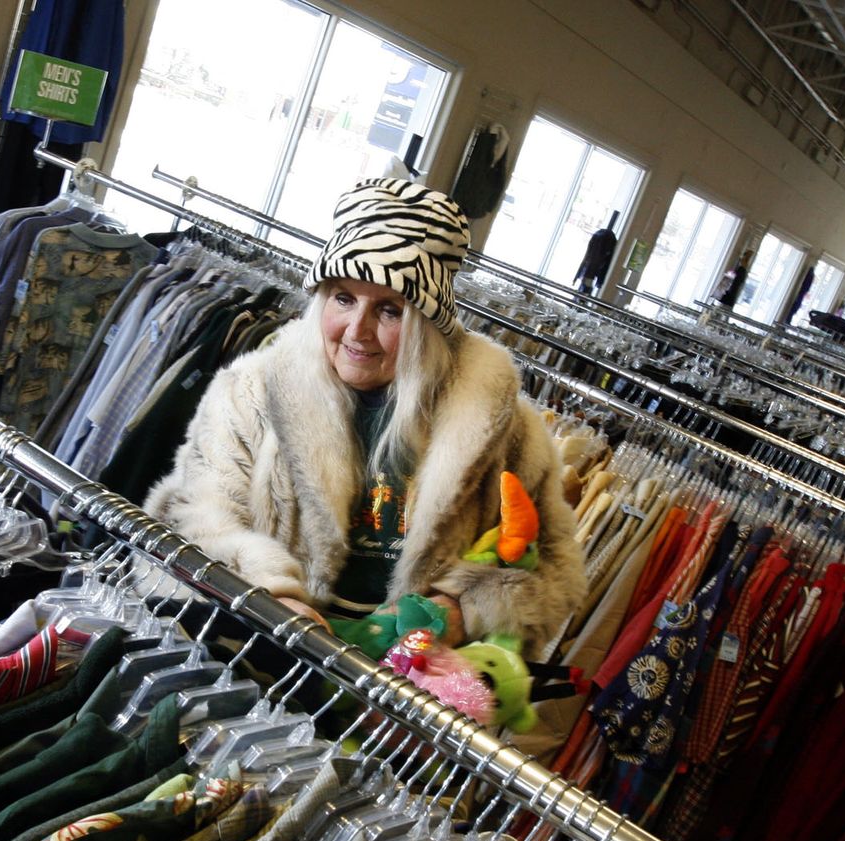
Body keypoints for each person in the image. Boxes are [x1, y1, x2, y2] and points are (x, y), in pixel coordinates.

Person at [144, 179, 581, 656]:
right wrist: (271, 599)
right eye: (343, 299)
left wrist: (461, 612)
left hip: (408, 688)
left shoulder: (501, 427)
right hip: (255, 655)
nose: (357, 331)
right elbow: (199, 519)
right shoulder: (250, 394)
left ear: (425, 323)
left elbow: (554, 571)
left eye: (389, 310)